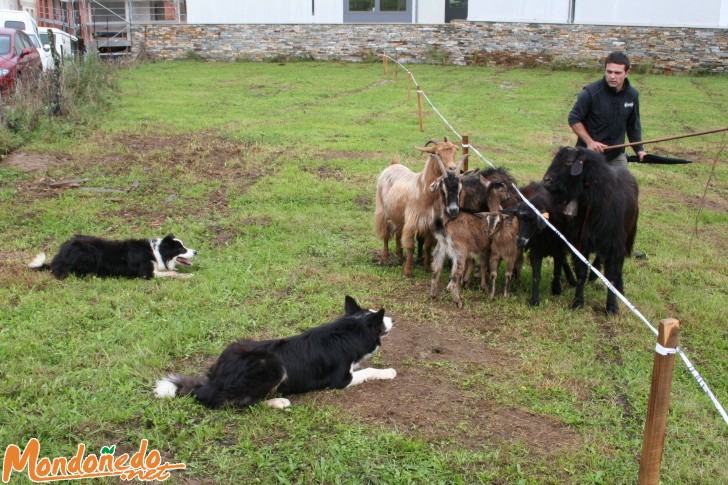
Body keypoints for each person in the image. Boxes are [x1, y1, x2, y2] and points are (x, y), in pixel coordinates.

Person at [568, 51, 646, 168]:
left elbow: (633, 125)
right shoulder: (590, 93)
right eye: (609, 72)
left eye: (617, 72)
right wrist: (590, 142)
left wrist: (639, 150)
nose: (612, 76)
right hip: (588, 155)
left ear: (627, 73)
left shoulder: (632, 95)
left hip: (615, 156)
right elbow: (574, 119)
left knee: (621, 184)